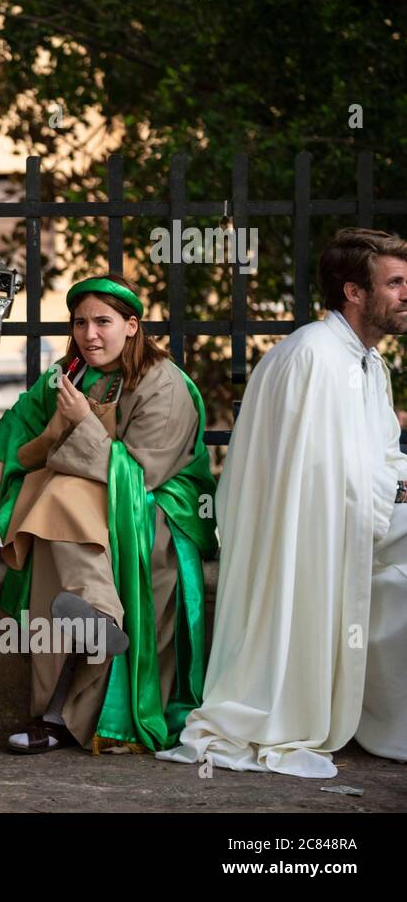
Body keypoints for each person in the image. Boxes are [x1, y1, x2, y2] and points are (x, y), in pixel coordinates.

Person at [160, 228, 407, 777]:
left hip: (353, 517)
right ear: (354, 293)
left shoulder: (368, 363)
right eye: (395, 283)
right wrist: (390, 496)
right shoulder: (314, 357)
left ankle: (389, 719)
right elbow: (319, 474)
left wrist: (397, 488)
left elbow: (378, 456)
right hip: (312, 533)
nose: (406, 293)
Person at [0, 273, 216, 756]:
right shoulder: (71, 374)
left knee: (59, 501)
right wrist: (5, 458)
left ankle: (64, 708)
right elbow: (24, 422)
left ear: (131, 325)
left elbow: (140, 475)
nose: (90, 334)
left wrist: (81, 425)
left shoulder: (164, 384)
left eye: (103, 321)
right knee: (56, 529)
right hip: (83, 512)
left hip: (155, 508)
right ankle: (64, 693)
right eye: (80, 322)